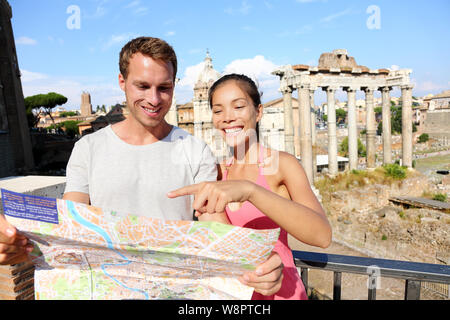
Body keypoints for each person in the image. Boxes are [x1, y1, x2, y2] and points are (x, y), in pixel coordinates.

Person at [0, 37, 283, 297]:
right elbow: (71, 226)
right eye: (143, 86)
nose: (154, 99)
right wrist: (16, 244)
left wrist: (255, 262)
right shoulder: (87, 148)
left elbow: (212, 225)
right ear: (122, 82)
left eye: (165, 88)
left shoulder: (196, 150)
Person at [168, 73, 332, 300]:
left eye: (238, 107)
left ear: (258, 112)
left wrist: (251, 190)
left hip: (282, 293)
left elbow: (322, 236)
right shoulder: (216, 173)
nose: (227, 117)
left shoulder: (282, 165)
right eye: (218, 110)